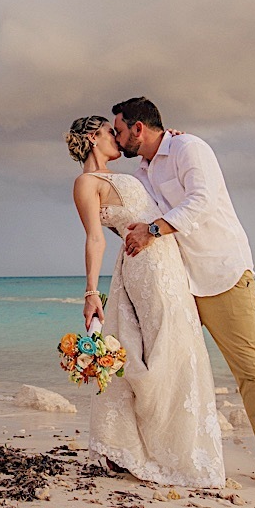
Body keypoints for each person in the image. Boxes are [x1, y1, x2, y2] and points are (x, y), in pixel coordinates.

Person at [111, 96, 255, 495]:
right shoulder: (144, 169)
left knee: (249, 372)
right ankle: (152, 453)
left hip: (221, 274)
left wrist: (153, 231)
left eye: (120, 130)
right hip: (178, 281)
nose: (118, 137)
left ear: (139, 128)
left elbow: (201, 201)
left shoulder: (189, 149)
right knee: (164, 367)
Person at [66, 115, 224, 488]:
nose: (117, 139)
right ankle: (153, 449)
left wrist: (175, 139)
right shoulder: (86, 183)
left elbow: (159, 177)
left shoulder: (135, 172)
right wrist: (91, 292)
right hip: (145, 267)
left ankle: (177, 445)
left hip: (169, 262)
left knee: (180, 347)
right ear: (93, 138)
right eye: (110, 132)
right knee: (162, 348)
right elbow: (95, 239)